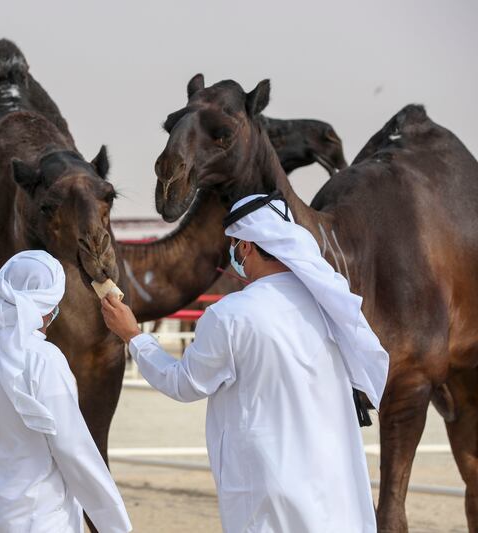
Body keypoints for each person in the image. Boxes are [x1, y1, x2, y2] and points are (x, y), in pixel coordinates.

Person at [101, 192, 389, 533]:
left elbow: (184, 383)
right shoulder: (330, 306)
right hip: (333, 479)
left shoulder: (230, 315)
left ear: (247, 247)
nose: (234, 255)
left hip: (270, 487)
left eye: (234, 245)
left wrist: (133, 336)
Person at [0, 250, 132, 533]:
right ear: (51, 304)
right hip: (43, 520)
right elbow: (74, 451)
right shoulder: (44, 358)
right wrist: (116, 525)